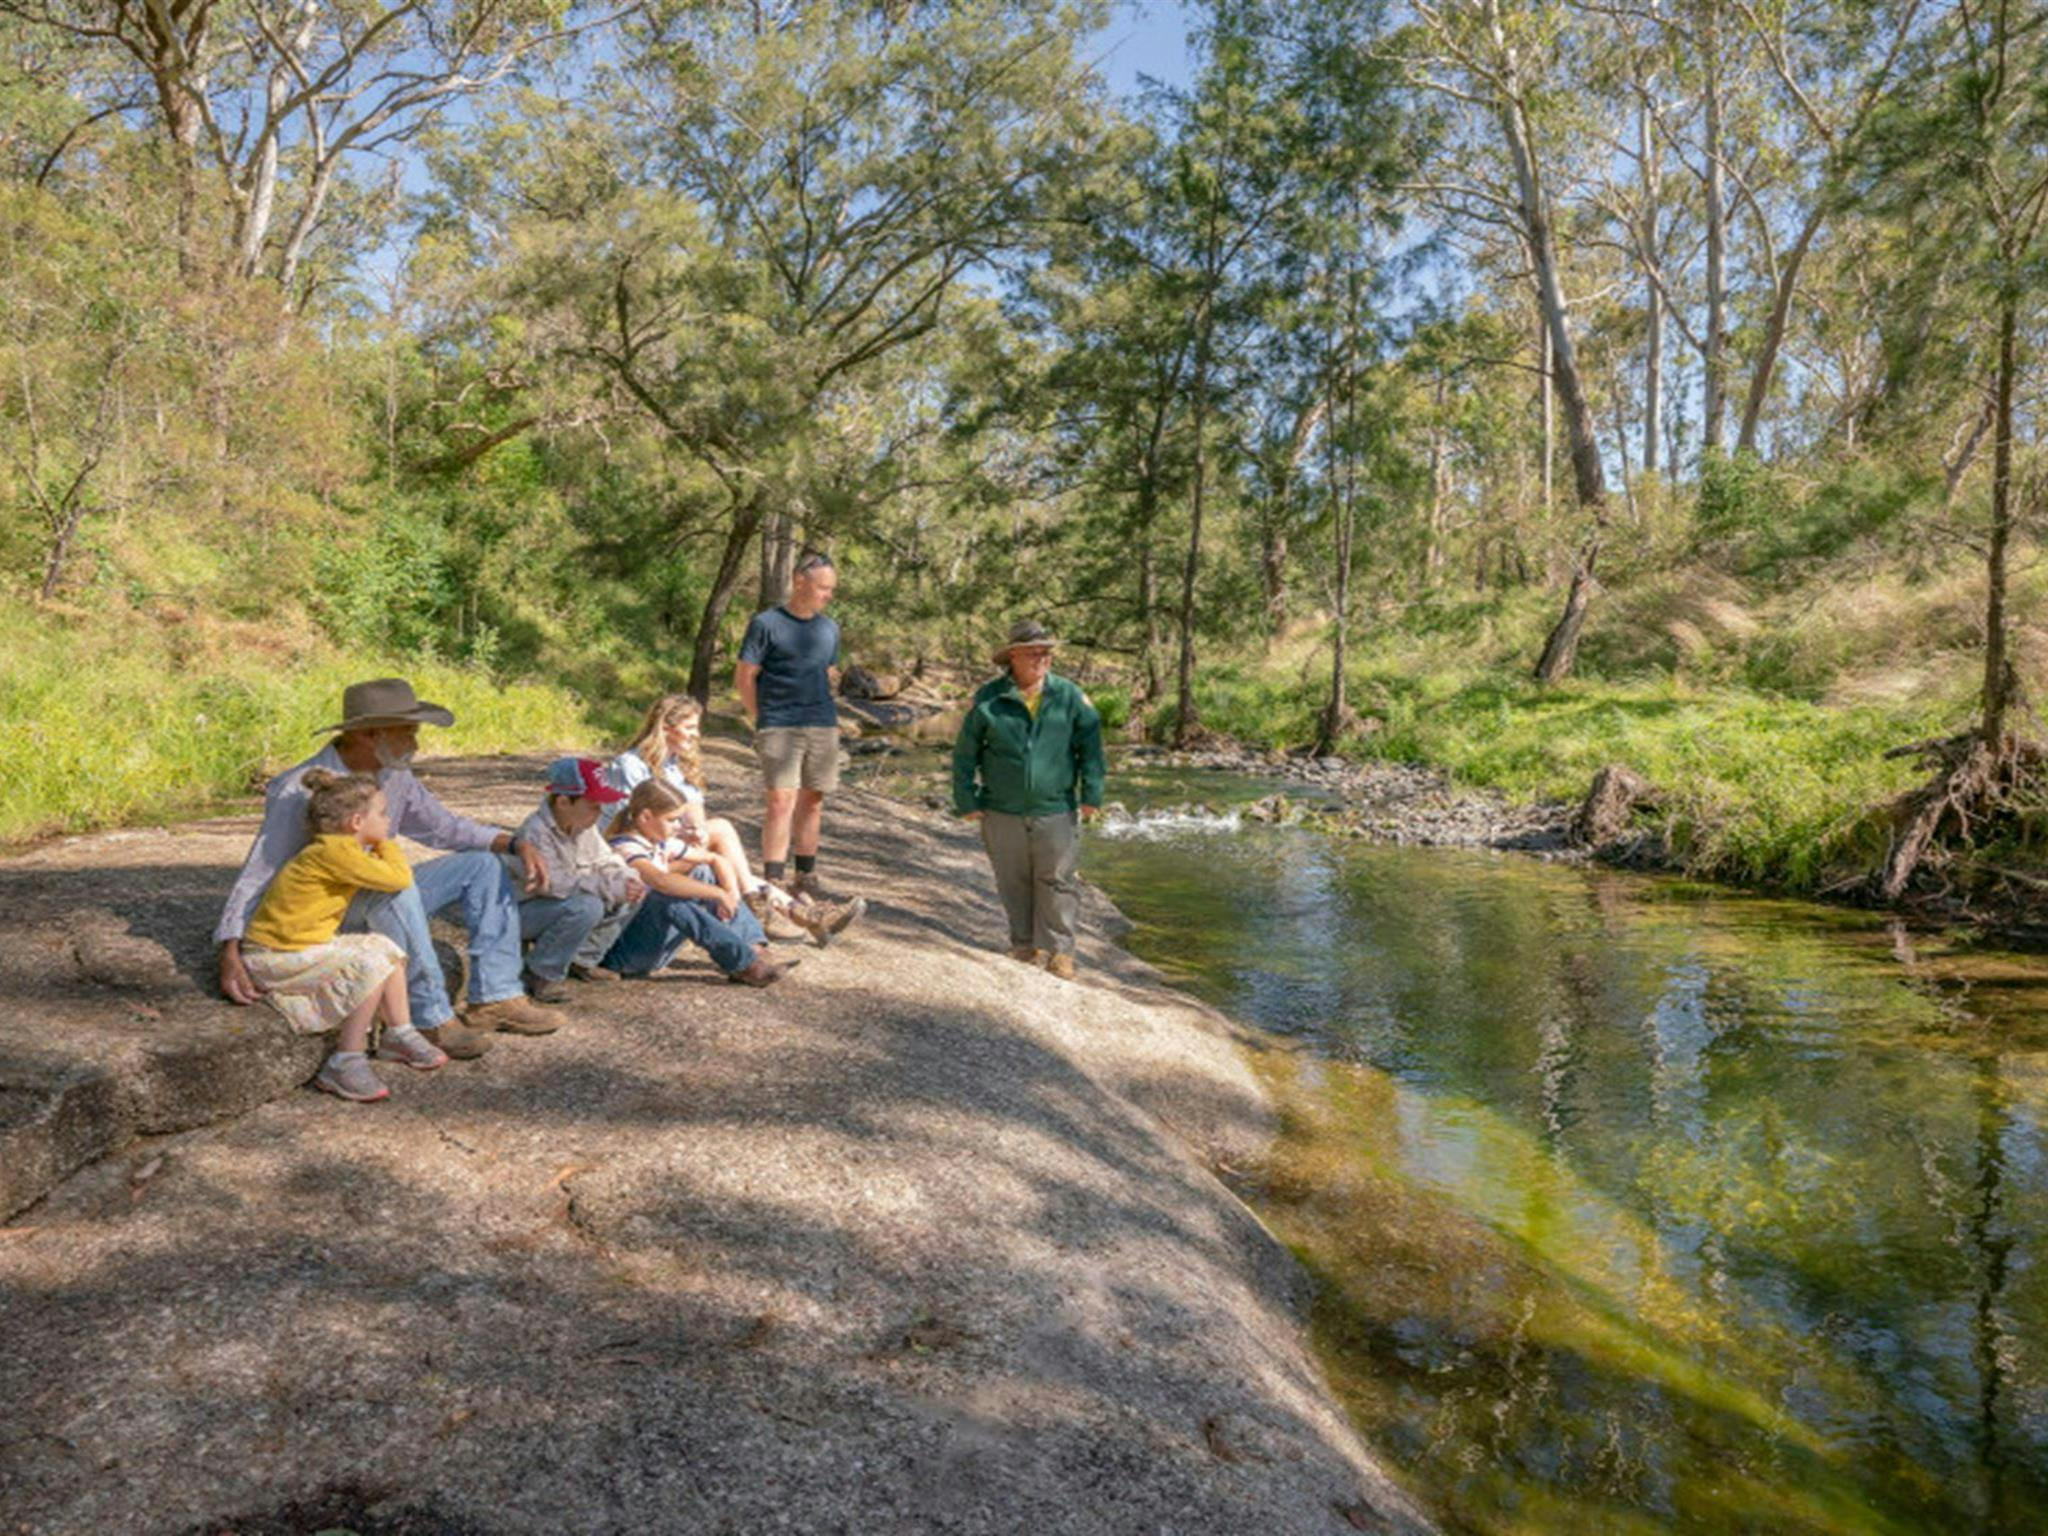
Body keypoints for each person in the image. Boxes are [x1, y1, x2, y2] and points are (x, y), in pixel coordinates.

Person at [216, 677, 567, 1054]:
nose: (416, 744)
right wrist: (230, 950)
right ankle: (430, 1019)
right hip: (327, 913)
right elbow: (261, 871)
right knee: (395, 888)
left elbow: (443, 827)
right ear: (369, 734)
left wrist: (515, 843)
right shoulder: (296, 788)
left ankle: (496, 998)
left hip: (375, 886)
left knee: (482, 865)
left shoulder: (394, 775)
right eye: (408, 733)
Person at [239, 769, 448, 1102]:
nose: (387, 819)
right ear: (355, 822)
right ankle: (345, 1058)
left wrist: (377, 841)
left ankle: (399, 1032)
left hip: (302, 945)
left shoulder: (338, 850)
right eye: (381, 813)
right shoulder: (335, 853)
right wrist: (387, 844)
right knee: (370, 962)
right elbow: (399, 878)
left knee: (386, 947)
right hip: (274, 955)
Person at [602, 693, 863, 946]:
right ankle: (784, 908)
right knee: (724, 832)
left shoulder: (677, 765)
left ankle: (799, 913)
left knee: (723, 848)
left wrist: (698, 834)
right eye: (690, 727)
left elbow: (696, 817)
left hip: (667, 848)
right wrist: (690, 836)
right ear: (666, 728)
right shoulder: (631, 766)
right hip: (632, 858)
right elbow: (630, 824)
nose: (697, 734)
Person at [950, 621, 1106, 981]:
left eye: (1047, 652)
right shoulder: (988, 699)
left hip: (1056, 807)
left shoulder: (1069, 696)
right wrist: (966, 798)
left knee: (1059, 879)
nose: (1042, 658)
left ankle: (1061, 952)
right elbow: (965, 754)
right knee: (1012, 880)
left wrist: (1092, 794)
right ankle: (1023, 945)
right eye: (1034, 652)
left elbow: (1091, 749)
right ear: (1013, 656)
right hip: (1001, 808)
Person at [601, 780, 793, 987]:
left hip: (653, 948)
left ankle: (752, 947)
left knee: (703, 871)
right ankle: (744, 964)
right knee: (663, 899)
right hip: (622, 953)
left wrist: (729, 892)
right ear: (646, 816)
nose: (678, 826)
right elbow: (660, 881)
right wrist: (717, 894)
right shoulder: (624, 847)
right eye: (672, 820)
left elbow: (715, 859)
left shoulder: (660, 843)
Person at [735, 550, 848, 903]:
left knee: (812, 799)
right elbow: (745, 675)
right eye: (823, 588)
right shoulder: (766, 624)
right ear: (800, 582)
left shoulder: (830, 629)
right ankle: (773, 878)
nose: (828, 595)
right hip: (779, 724)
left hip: (822, 724)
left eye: (831, 589)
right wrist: (760, 717)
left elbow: (828, 671)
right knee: (780, 800)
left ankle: (806, 875)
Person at [509, 757, 645, 1001]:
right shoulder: (535, 833)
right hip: (520, 912)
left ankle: (581, 958)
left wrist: (626, 878)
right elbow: (553, 885)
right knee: (587, 906)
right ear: (563, 801)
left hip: (554, 906)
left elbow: (607, 859)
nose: (600, 812)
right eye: (593, 805)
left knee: (629, 889)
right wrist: (609, 887)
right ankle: (542, 972)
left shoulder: (582, 825)